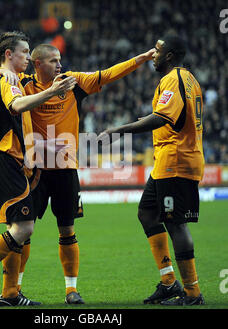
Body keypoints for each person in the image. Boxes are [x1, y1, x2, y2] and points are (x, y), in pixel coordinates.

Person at [0, 44, 155, 304]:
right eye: (53, 61)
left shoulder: (73, 82)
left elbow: (108, 74)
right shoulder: (22, 83)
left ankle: (71, 290)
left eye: (60, 59)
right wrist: (0, 72)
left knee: (67, 231)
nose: (60, 65)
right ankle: (10, 291)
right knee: (21, 231)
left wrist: (141, 58)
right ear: (38, 65)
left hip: (65, 169)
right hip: (34, 170)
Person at [0, 31, 76, 308]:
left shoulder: (3, 76)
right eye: (24, 52)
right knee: (24, 227)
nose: (28, 57)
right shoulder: (8, 81)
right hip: (5, 159)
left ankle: (10, 293)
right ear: (9, 55)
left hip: (11, 161)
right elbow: (17, 105)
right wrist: (52, 92)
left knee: (19, 227)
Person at [98, 35, 205, 306]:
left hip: (176, 160)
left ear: (169, 56)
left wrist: (119, 130)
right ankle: (169, 282)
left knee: (175, 223)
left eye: (157, 51)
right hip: (165, 162)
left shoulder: (174, 79)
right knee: (147, 212)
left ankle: (192, 294)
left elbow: (163, 118)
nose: (152, 54)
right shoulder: (188, 79)